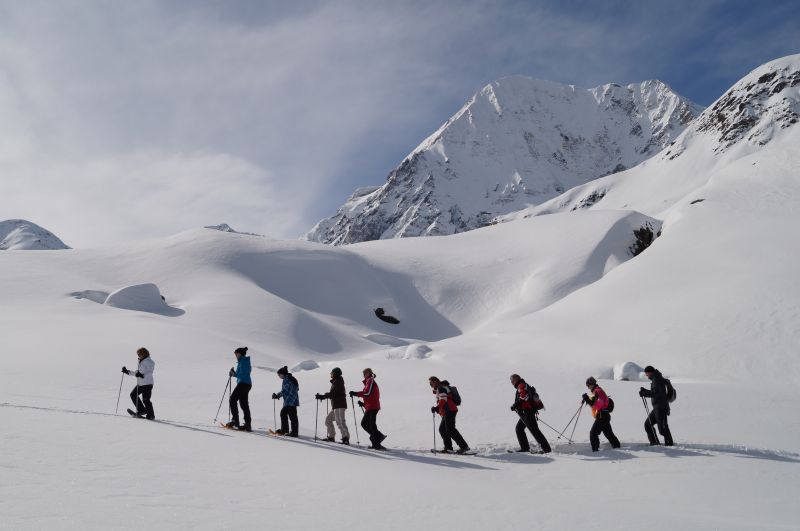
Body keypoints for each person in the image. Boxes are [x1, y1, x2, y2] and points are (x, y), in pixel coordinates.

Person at [509, 374, 551, 453]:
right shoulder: (523, 385)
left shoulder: (521, 385)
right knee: (519, 429)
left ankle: (547, 449)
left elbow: (524, 396)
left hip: (527, 413)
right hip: (525, 413)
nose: (511, 383)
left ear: (516, 380)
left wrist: (514, 405)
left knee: (535, 431)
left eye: (512, 381)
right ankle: (525, 448)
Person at [429, 376, 470, 454]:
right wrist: (438, 408)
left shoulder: (441, 388)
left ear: (435, 382)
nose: (431, 385)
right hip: (447, 411)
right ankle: (448, 448)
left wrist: (436, 408)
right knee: (443, 429)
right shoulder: (440, 388)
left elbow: (443, 399)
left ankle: (464, 447)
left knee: (450, 429)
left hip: (450, 410)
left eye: (431, 383)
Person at [349, 368, 386, 450]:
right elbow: (370, 395)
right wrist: (363, 404)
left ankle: (376, 443)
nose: (363, 375)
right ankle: (377, 437)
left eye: (364, 373)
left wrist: (356, 393)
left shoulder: (370, 380)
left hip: (373, 406)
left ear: (368, 373)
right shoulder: (369, 381)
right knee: (366, 424)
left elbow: (367, 393)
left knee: (370, 425)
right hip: (370, 406)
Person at [582, 376, 621, 452]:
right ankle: (617, 445)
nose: (588, 387)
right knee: (608, 433)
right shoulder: (596, 391)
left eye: (588, 385)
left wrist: (587, 399)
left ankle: (595, 450)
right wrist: (586, 399)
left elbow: (598, 405)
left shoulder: (597, 391)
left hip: (602, 416)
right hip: (604, 415)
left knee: (593, 433)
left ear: (591, 384)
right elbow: (594, 401)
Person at [639, 365, 674, 446]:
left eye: (646, 374)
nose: (646, 375)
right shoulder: (657, 378)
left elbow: (655, 393)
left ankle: (669, 444)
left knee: (662, 429)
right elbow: (656, 392)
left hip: (660, 408)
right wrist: (645, 391)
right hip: (658, 407)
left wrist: (644, 393)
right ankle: (655, 443)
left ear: (650, 372)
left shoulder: (656, 380)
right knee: (648, 424)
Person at [316, 367, 350, 444]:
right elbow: (334, 393)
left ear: (335, 373)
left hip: (339, 405)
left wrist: (323, 396)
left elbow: (334, 394)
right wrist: (325, 395)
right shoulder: (336, 381)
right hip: (336, 405)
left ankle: (345, 438)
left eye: (332, 373)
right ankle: (331, 437)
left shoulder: (338, 381)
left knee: (340, 422)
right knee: (328, 420)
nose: (331, 374)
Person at [122, 347, 155, 420]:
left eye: (139, 354)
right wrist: (128, 372)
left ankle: (151, 415)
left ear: (144, 353)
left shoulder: (149, 362)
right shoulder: (142, 361)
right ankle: (142, 410)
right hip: (141, 383)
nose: (138, 355)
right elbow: (138, 372)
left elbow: (147, 372)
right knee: (133, 394)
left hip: (147, 383)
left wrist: (140, 374)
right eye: (138, 354)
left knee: (146, 400)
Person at [225, 347, 252, 431]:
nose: (235, 355)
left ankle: (235, 421)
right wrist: (233, 373)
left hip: (244, 383)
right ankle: (247, 424)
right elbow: (240, 374)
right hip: (245, 383)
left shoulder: (244, 361)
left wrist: (234, 374)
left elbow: (244, 374)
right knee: (243, 404)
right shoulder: (242, 362)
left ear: (240, 353)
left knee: (232, 399)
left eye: (236, 353)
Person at [272, 366, 299, 436]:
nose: (279, 376)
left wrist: (277, 395)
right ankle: (290, 431)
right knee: (290, 415)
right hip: (293, 400)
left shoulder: (286, 379)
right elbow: (297, 388)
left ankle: (290, 431)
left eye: (279, 375)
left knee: (287, 415)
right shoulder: (292, 378)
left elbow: (285, 391)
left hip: (290, 401)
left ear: (283, 374)